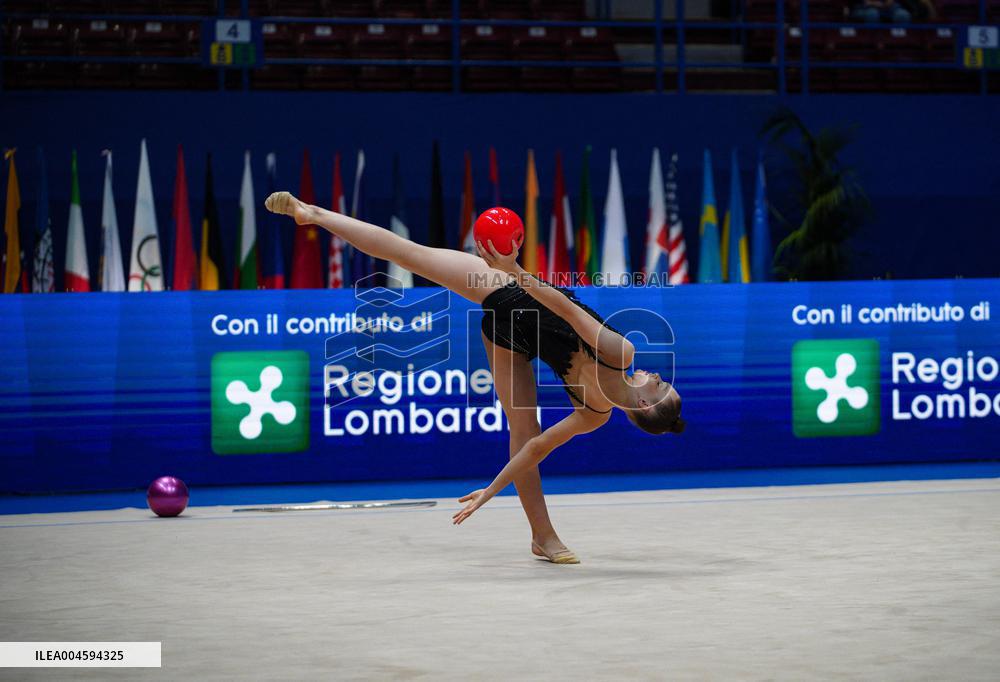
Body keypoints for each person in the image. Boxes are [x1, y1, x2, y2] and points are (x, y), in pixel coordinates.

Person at [264, 191, 684, 564]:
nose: (660, 374)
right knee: (412, 255)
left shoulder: (596, 413)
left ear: (645, 404)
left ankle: (542, 536)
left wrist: (489, 491)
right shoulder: (621, 354)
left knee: (523, 428)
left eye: (661, 384)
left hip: (508, 339)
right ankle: (314, 213)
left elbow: (535, 448)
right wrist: (513, 269)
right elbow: (565, 308)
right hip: (516, 293)